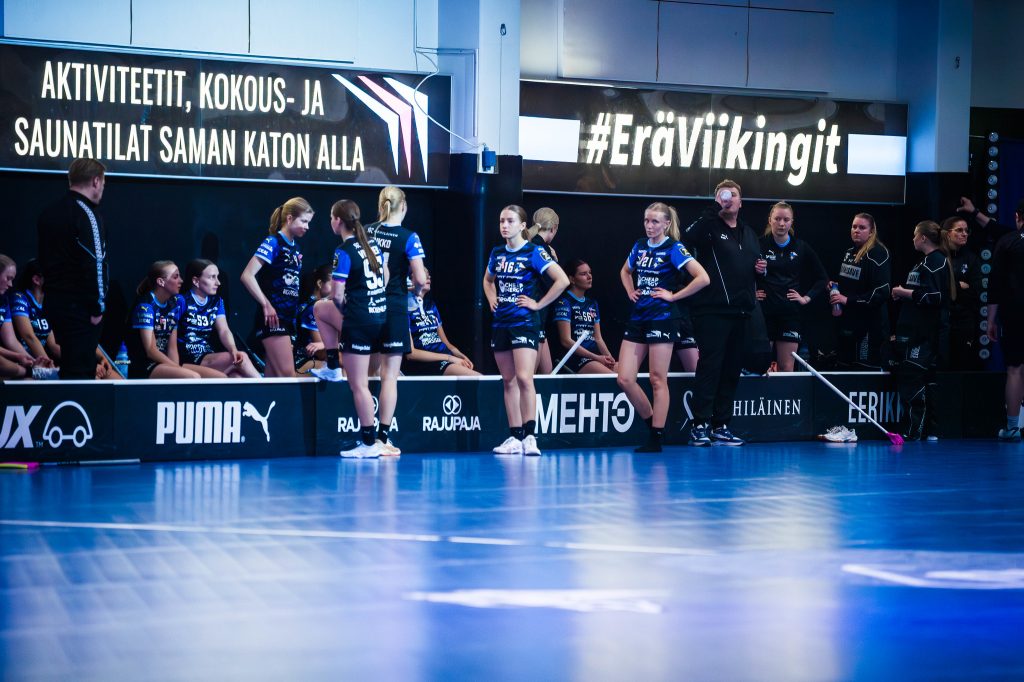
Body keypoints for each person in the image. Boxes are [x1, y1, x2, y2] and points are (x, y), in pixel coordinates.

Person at [619, 203, 710, 451]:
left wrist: (674, 296)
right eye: (646, 221)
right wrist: (630, 291)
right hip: (639, 316)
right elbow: (625, 271)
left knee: (657, 379)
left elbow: (703, 278)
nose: (649, 226)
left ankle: (656, 437)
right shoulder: (639, 245)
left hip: (663, 318)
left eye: (655, 222)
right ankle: (652, 424)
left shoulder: (674, 248)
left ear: (666, 224)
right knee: (624, 378)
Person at [483, 205, 569, 456]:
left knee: (524, 378)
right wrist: (491, 297)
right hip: (501, 323)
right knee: (508, 380)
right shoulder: (497, 252)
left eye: (510, 221)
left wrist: (538, 304)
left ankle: (530, 436)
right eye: (502, 221)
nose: (504, 225)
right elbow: (487, 280)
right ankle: (515, 436)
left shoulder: (533, 252)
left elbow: (562, 280)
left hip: (525, 323)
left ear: (522, 225)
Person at [681, 180, 760, 446]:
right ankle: (700, 424)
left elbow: (750, 266)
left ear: (741, 202)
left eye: (732, 195)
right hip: (712, 310)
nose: (728, 199)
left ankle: (721, 425)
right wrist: (714, 208)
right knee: (710, 367)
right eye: (723, 195)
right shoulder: (709, 228)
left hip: (742, 311)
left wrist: (760, 270)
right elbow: (688, 237)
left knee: (731, 370)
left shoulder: (749, 233)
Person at [316, 199, 390, 458]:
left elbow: (337, 295)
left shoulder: (344, 251)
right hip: (380, 318)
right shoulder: (373, 244)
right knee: (320, 309)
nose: (331, 222)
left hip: (360, 320)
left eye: (331, 218)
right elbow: (386, 276)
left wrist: (348, 310)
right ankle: (332, 366)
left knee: (359, 385)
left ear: (338, 221)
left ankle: (369, 444)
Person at [365, 186, 427, 455]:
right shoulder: (409, 237)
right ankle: (382, 437)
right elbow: (421, 278)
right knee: (389, 377)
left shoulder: (366, 231)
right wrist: (417, 291)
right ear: (404, 206)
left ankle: (364, 436)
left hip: (367, 308)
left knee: (367, 374)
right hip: (393, 308)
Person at [36, 158, 109, 379]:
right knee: (82, 374)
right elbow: (95, 263)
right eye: (103, 183)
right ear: (96, 181)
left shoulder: (48, 213)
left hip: (55, 304)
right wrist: (97, 308)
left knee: (70, 369)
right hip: (80, 309)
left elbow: (44, 260)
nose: (103, 189)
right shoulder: (87, 214)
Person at [891, 221, 954, 441]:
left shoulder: (936, 261)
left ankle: (915, 430)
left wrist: (904, 293)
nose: (913, 239)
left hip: (926, 334)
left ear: (923, 238)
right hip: (916, 329)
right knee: (921, 378)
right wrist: (904, 293)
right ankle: (927, 429)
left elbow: (935, 297)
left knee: (912, 376)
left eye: (915, 235)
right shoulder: (924, 261)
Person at [240, 197, 311, 377]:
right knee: (288, 376)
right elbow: (247, 276)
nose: (307, 227)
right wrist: (266, 304)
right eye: (304, 221)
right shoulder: (273, 242)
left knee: (274, 381)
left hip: (288, 319)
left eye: (308, 222)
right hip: (273, 319)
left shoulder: (297, 248)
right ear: (289, 218)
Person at [10, 259, 115, 379]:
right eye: (53, 276)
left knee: (109, 376)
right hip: (23, 365)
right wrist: (49, 367)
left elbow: (54, 346)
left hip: (42, 364)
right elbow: (29, 336)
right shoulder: (19, 298)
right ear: (36, 280)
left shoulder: (47, 303)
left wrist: (94, 360)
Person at [756, 202, 828, 372]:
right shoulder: (759, 244)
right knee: (761, 366)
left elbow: (822, 278)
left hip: (789, 315)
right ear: (770, 220)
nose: (781, 223)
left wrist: (806, 298)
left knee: (786, 367)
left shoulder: (800, 246)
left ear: (792, 222)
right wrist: (751, 293)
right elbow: (741, 272)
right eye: (777, 219)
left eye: (786, 219)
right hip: (764, 313)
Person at [176, 259, 259, 378]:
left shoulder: (217, 301)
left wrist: (233, 349)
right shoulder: (181, 301)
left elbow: (224, 330)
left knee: (236, 376)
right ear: (196, 281)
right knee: (243, 357)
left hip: (205, 355)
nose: (218, 283)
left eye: (217, 277)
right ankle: (266, 387)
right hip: (185, 358)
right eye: (212, 277)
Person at [829, 213, 891, 370]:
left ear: (871, 232)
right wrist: (835, 287)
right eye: (854, 226)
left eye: (862, 227)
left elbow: (881, 292)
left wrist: (847, 300)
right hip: (848, 322)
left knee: (864, 370)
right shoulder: (849, 252)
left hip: (870, 325)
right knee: (844, 366)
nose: (856, 230)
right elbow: (850, 283)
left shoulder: (878, 253)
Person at [126, 261, 205, 379]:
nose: (181, 281)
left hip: (165, 363)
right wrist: (178, 369)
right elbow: (151, 351)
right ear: (161, 282)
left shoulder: (175, 304)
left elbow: (172, 347)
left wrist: (176, 368)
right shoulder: (146, 306)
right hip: (144, 365)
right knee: (193, 377)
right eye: (175, 277)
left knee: (219, 377)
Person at [987, 198, 1024, 441]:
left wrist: (990, 320)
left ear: (1017, 217)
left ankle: (1012, 428)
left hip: (1014, 313)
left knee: (1015, 369)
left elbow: (995, 285)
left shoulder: (1007, 242)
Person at [405, 269, 479, 376]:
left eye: (428, 275)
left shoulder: (431, 305)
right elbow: (411, 354)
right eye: (423, 274)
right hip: (427, 363)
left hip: (445, 359)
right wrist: (449, 358)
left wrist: (461, 356)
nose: (428, 277)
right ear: (409, 280)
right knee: (477, 379)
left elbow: (446, 343)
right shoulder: (403, 309)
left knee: (480, 378)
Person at [553, 259, 617, 375]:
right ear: (572, 279)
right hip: (575, 358)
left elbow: (598, 338)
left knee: (625, 375)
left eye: (590, 272)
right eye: (583, 274)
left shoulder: (592, 303)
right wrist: (597, 358)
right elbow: (566, 341)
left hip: (595, 356)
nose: (589, 277)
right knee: (612, 378)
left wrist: (609, 357)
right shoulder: (564, 302)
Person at [941, 216, 983, 370]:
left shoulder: (972, 259)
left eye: (966, 230)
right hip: (941, 320)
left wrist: (952, 288)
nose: (964, 234)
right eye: (959, 230)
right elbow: (937, 289)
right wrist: (959, 286)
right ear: (947, 233)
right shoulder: (938, 257)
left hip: (964, 321)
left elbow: (975, 292)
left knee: (962, 365)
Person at [527, 207, 560, 374]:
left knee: (547, 372)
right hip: (534, 316)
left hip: (537, 318)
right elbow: (555, 282)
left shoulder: (530, 244)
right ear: (553, 228)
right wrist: (554, 260)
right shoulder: (540, 249)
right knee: (527, 376)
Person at [0, 254, 44, 379]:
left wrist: (31, 361)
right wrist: (17, 357)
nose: (10, 284)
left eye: (12, 279)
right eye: (8, 278)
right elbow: (28, 335)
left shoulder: (3, 301)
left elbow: (11, 340)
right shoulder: (18, 298)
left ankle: (32, 372)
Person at [294, 264, 332, 375]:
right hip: (304, 363)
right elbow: (321, 353)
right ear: (320, 283)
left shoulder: (311, 305)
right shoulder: (314, 309)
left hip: (310, 360)